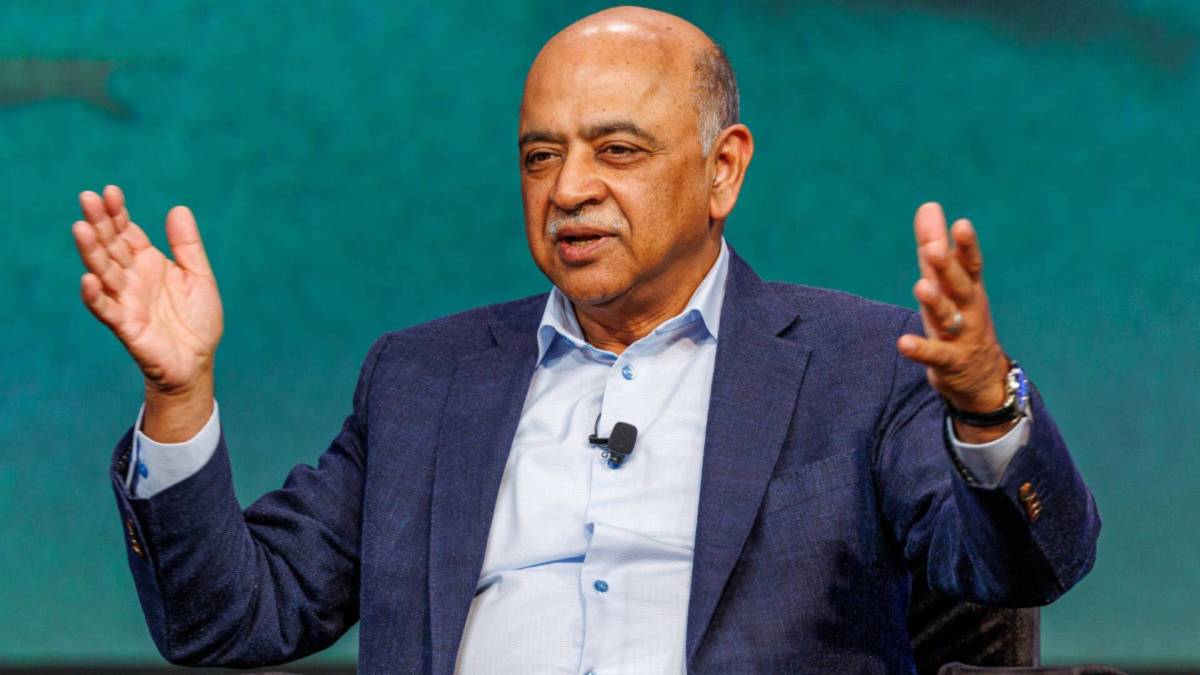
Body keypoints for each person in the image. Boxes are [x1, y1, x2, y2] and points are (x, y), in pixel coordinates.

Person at [71, 6, 1099, 674]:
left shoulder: (861, 364)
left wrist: (986, 406)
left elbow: (1026, 564)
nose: (568, 189)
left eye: (617, 151)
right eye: (540, 157)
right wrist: (180, 397)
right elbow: (228, 619)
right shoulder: (421, 379)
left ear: (723, 170)